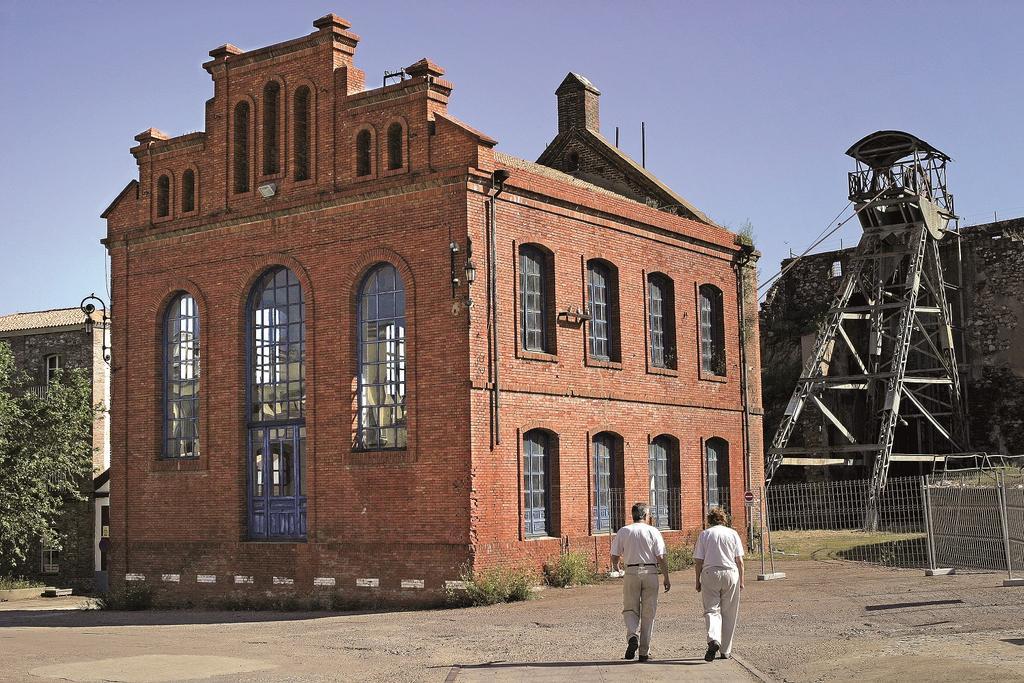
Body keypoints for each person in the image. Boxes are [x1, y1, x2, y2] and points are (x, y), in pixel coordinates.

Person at [610, 502, 671, 662]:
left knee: (630, 608)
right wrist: (666, 576)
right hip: (649, 570)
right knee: (648, 611)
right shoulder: (653, 531)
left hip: (632, 570)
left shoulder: (624, 531)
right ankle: (644, 652)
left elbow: (615, 555)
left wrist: (617, 566)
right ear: (645, 515)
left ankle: (632, 636)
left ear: (633, 515)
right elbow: (661, 557)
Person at [694, 506, 745, 662]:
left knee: (711, 610)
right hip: (730, 573)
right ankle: (725, 651)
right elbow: (740, 561)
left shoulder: (705, 535)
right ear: (724, 519)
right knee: (730, 613)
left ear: (709, 520)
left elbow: (698, 561)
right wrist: (741, 580)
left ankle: (713, 638)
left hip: (710, 573)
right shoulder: (733, 534)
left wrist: (697, 580)